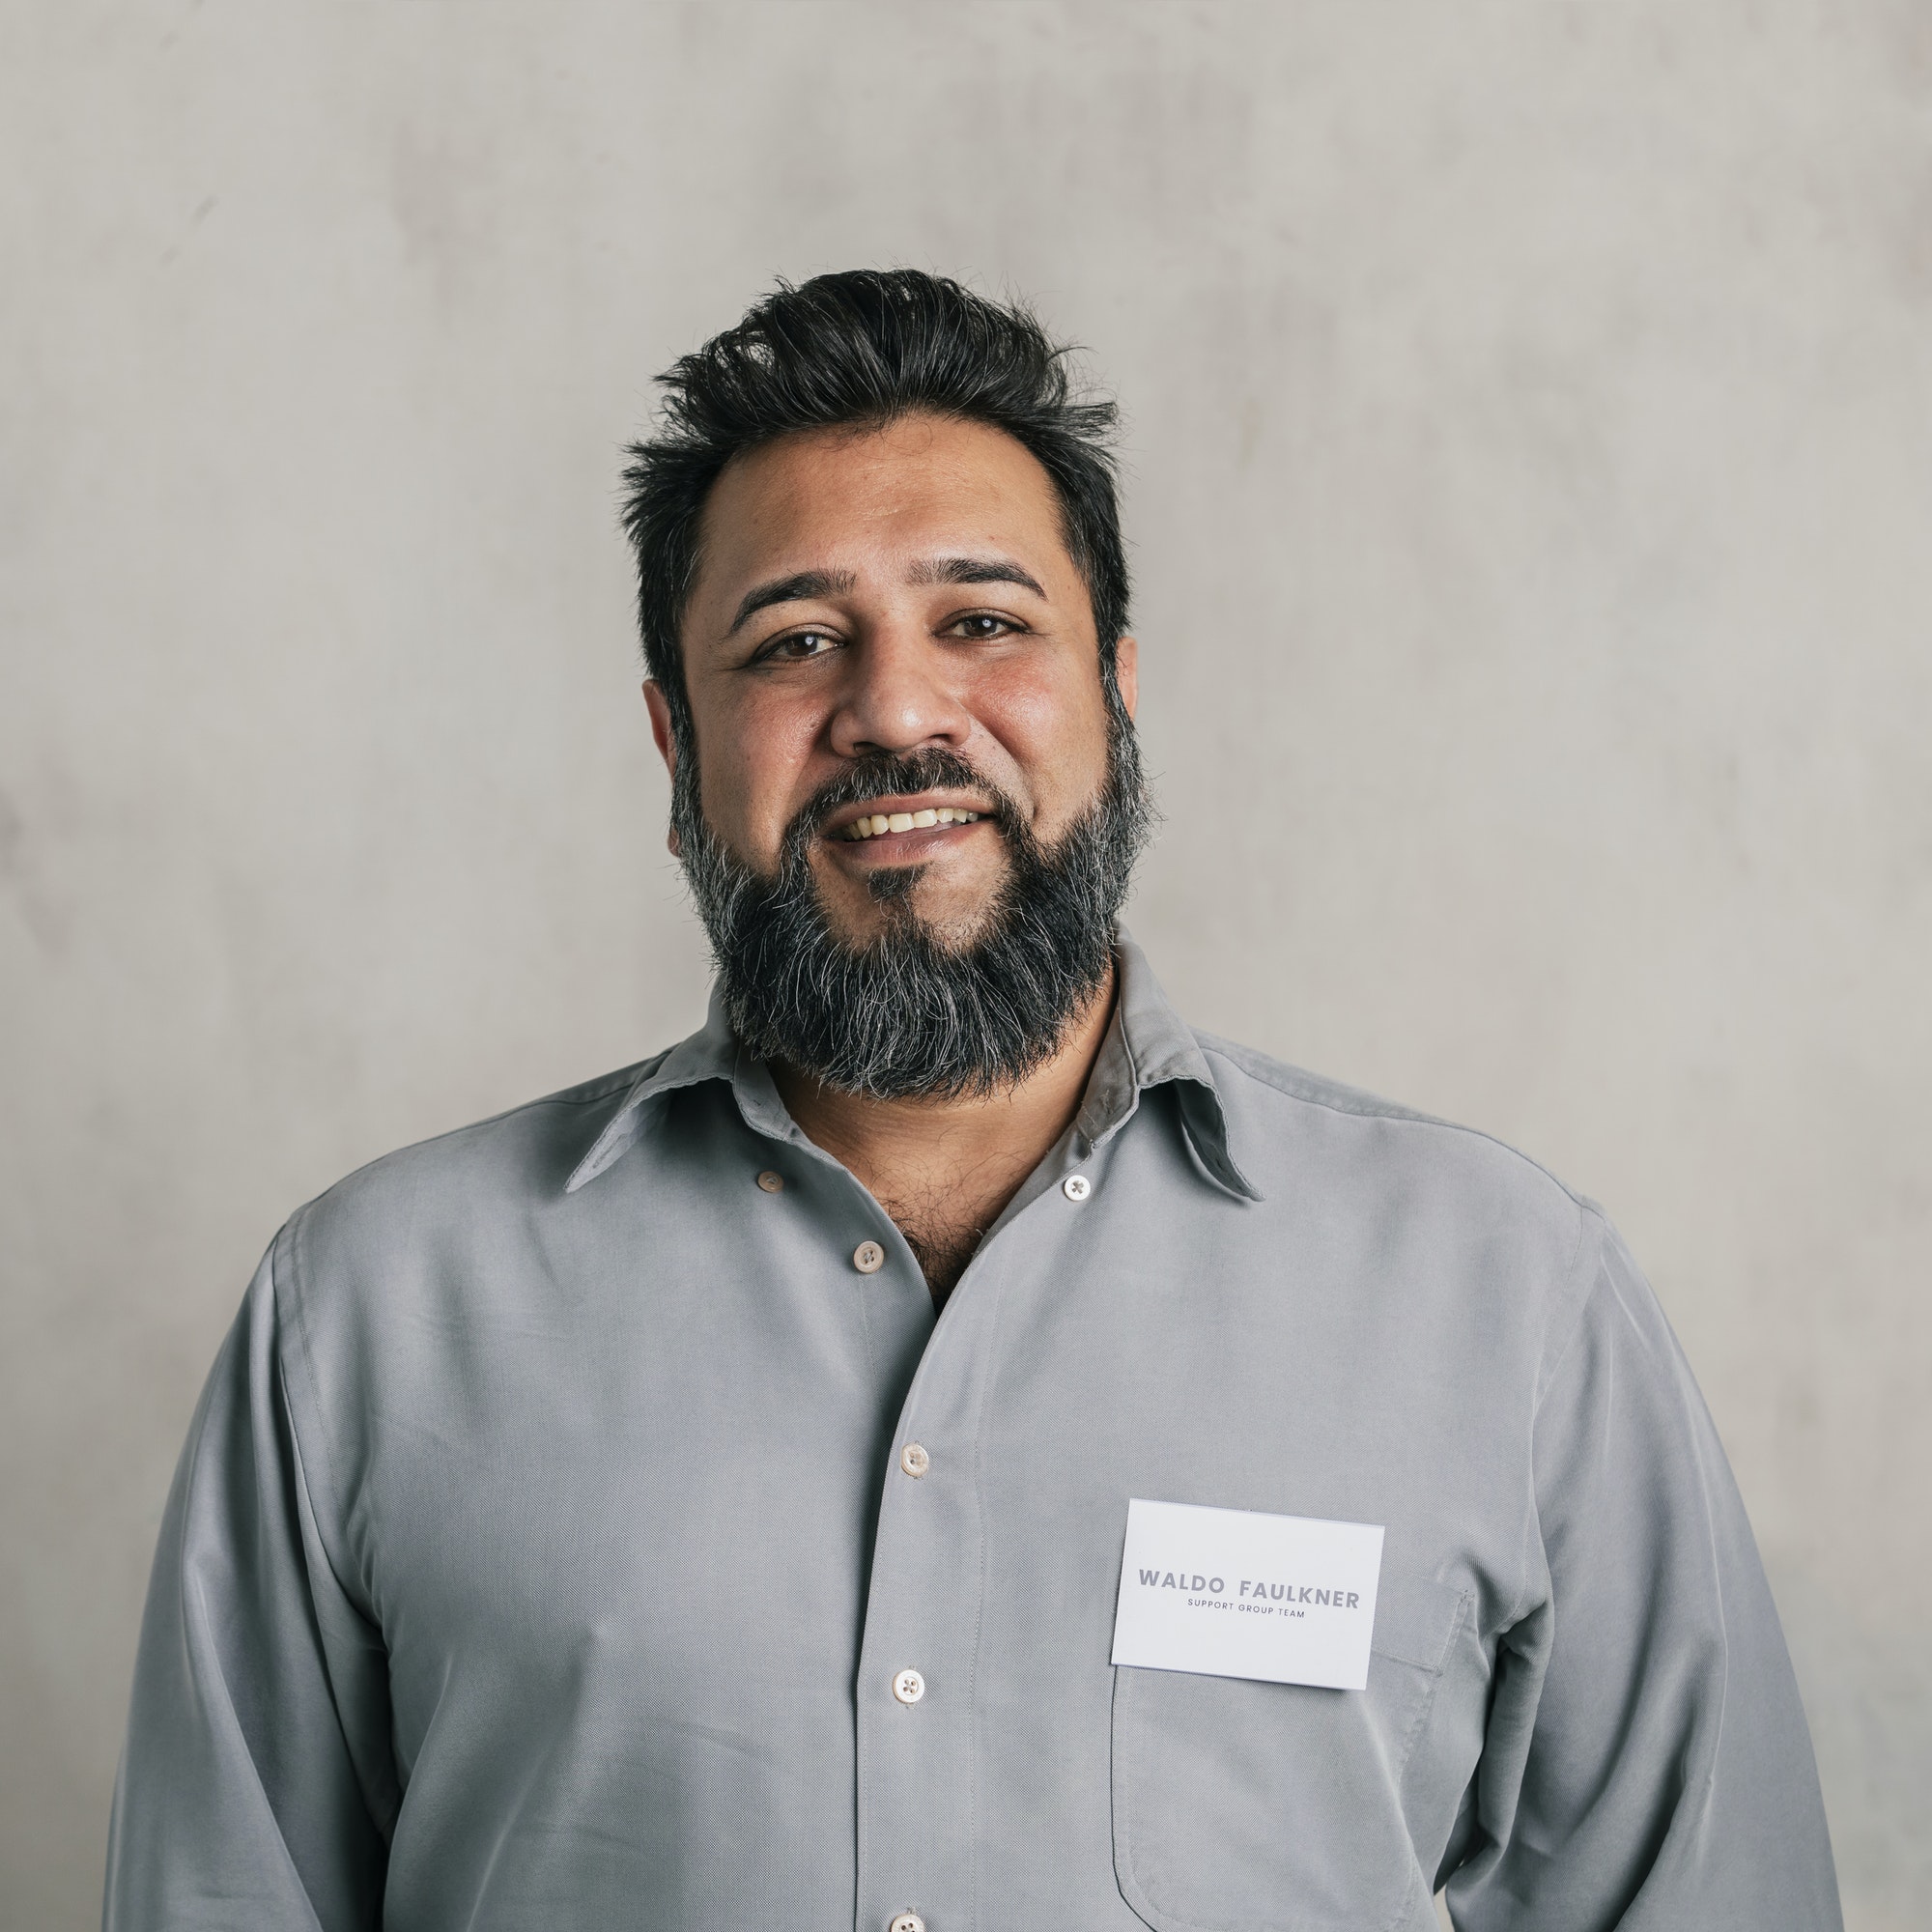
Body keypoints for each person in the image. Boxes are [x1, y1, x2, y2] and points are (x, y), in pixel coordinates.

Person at [105, 270, 1840, 1931]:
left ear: (1118, 692)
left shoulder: (1507, 1297)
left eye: (983, 621)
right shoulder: (368, 1319)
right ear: (672, 746)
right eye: (795, 642)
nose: (897, 711)